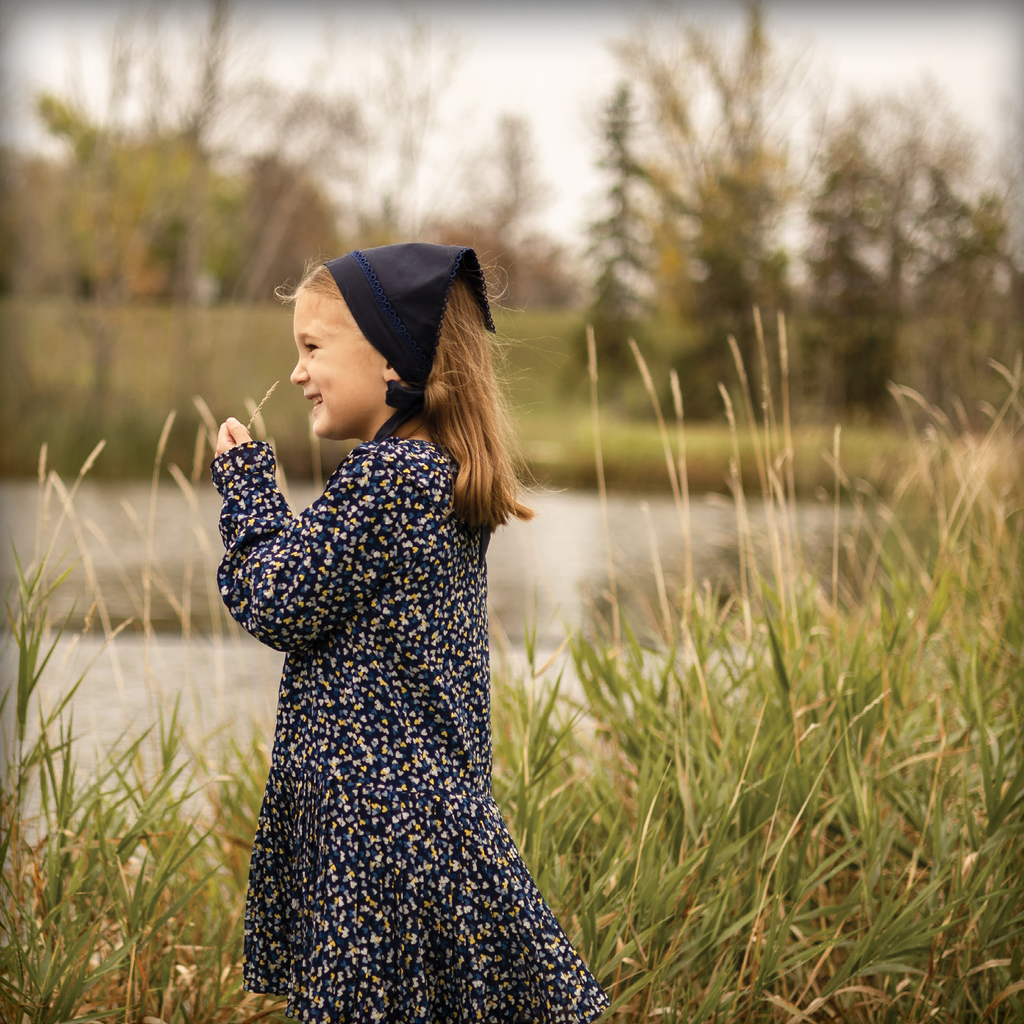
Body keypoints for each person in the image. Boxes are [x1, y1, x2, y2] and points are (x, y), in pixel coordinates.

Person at [212, 243, 610, 1023]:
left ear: (396, 361)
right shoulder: (438, 478)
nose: (296, 372)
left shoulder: (387, 480)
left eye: (314, 348)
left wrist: (249, 497)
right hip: (428, 830)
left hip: (375, 848)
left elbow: (280, 599)